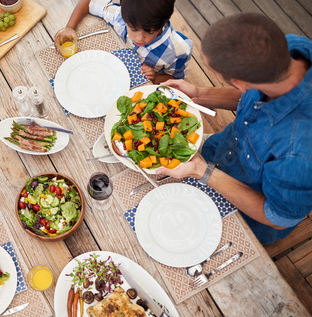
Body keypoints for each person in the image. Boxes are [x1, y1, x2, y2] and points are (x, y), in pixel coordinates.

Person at [157, 13, 312, 244]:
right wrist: (199, 94)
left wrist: (202, 171)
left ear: (239, 82)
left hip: (248, 214)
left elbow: (278, 217)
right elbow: (250, 95)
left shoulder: (298, 155)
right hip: (221, 150)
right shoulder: (289, 49)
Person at [55, 0, 193, 83]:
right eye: (133, 29)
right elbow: (89, 2)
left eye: (149, 32)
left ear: (162, 23)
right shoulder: (119, 17)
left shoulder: (177, 51)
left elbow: (177, 80)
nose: (139, 38)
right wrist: (69, 28)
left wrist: (155, 78)